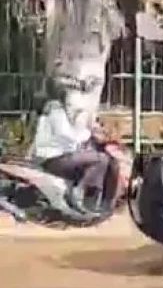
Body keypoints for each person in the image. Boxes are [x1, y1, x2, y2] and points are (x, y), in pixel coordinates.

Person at [30, 82, 117, 211]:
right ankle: (79, 192)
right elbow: (65, 136)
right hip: (54, 159)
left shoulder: (53, 110)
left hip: (57, 157)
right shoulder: (56, 110)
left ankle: (91, 203)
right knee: (102, 159)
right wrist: (88, 134)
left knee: (102, 161)